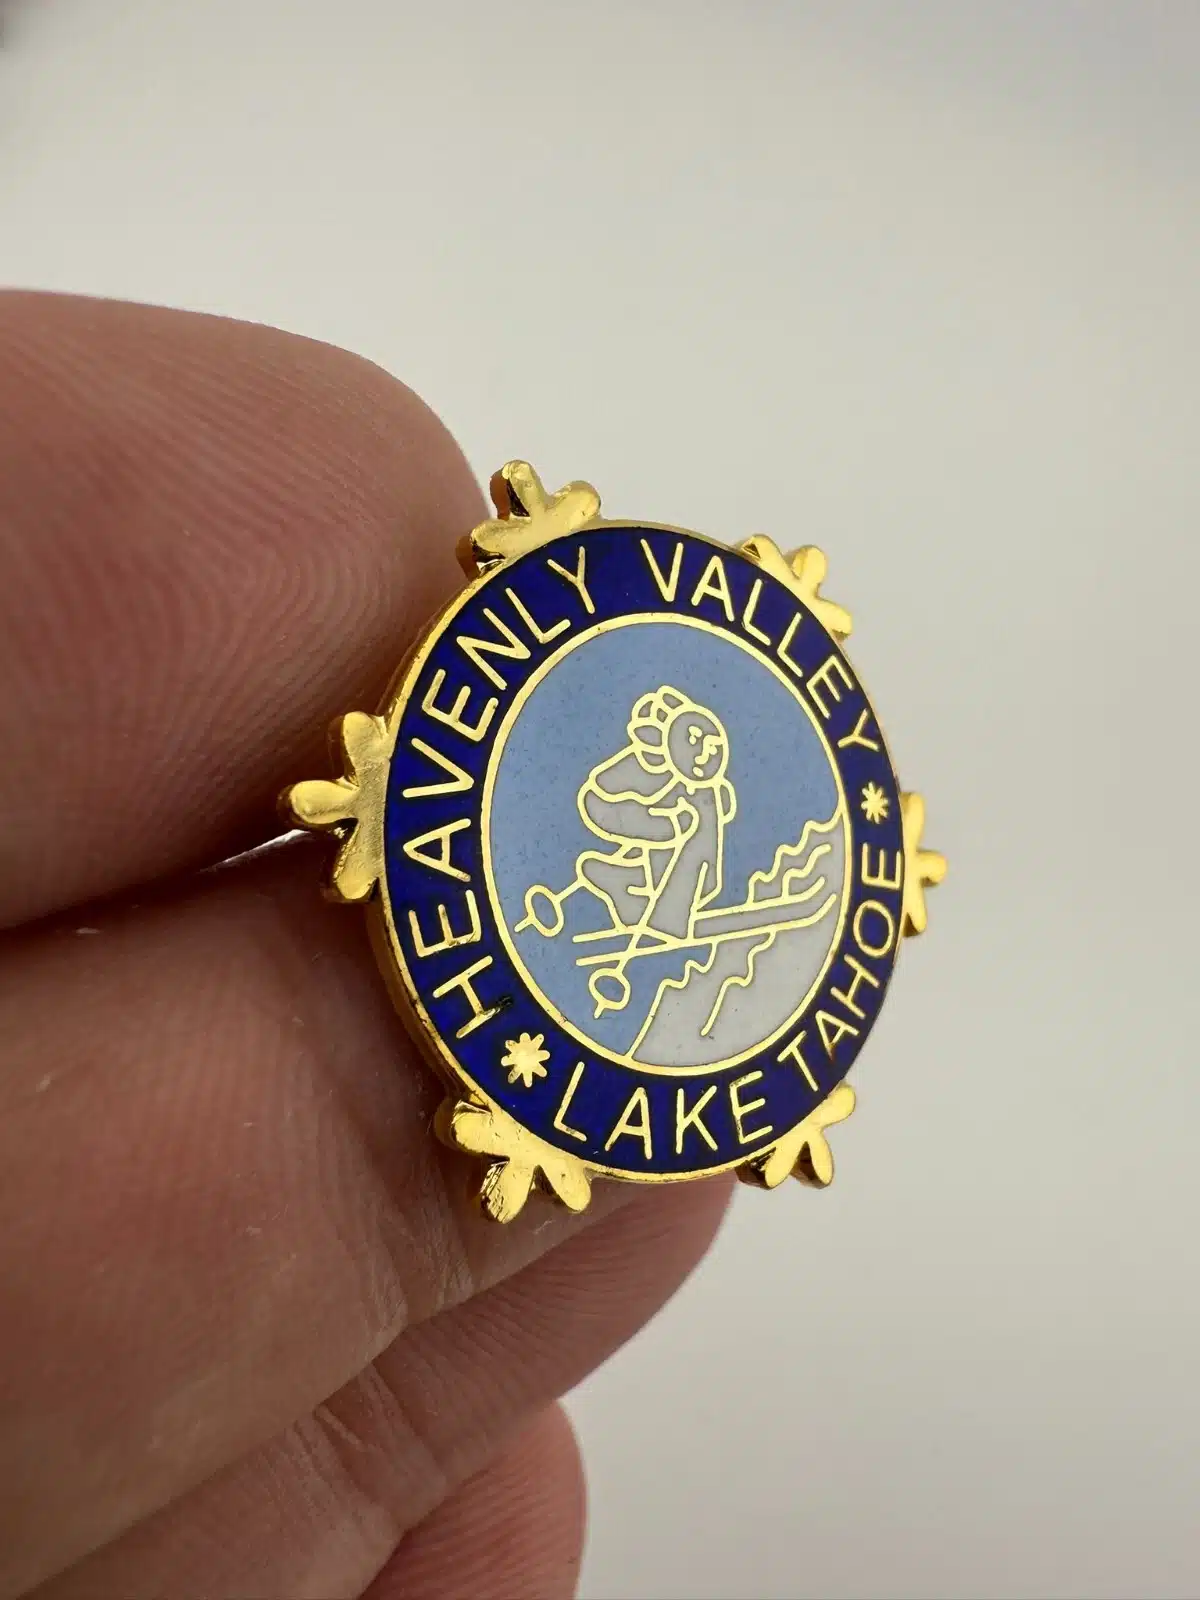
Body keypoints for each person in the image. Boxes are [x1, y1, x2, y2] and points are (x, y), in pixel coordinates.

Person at [0, 292, 731, 1600]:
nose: (643, 755)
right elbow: (610, 803)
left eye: (660, 742)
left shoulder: (695, 800)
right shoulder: (639, 784)